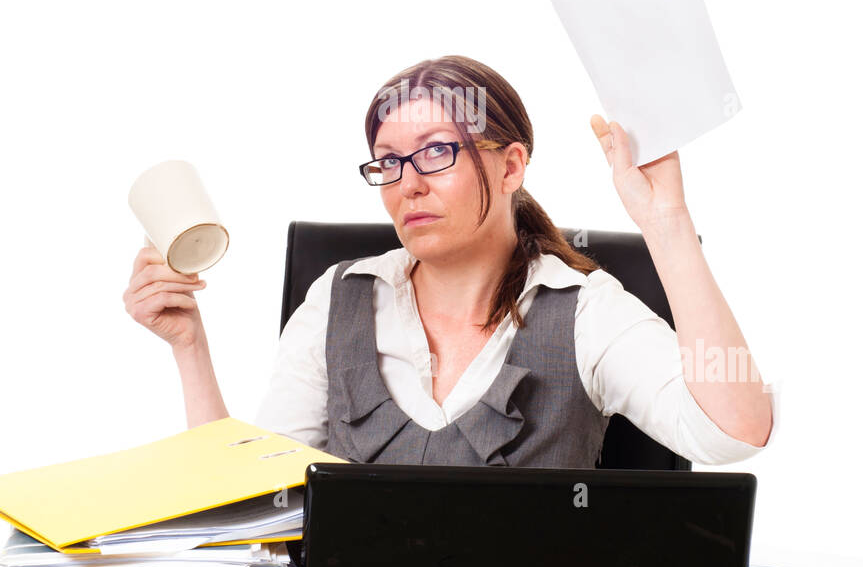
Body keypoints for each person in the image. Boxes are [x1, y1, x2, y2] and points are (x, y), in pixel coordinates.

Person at [123, 54, 775, 467]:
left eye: (436, 152)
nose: (407, 183)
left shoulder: (582, 309)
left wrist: (666, 224)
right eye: (388, 161)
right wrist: (189, 347)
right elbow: (257, 507)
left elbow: (737, 431)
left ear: (510, 163)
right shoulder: (339, 297)